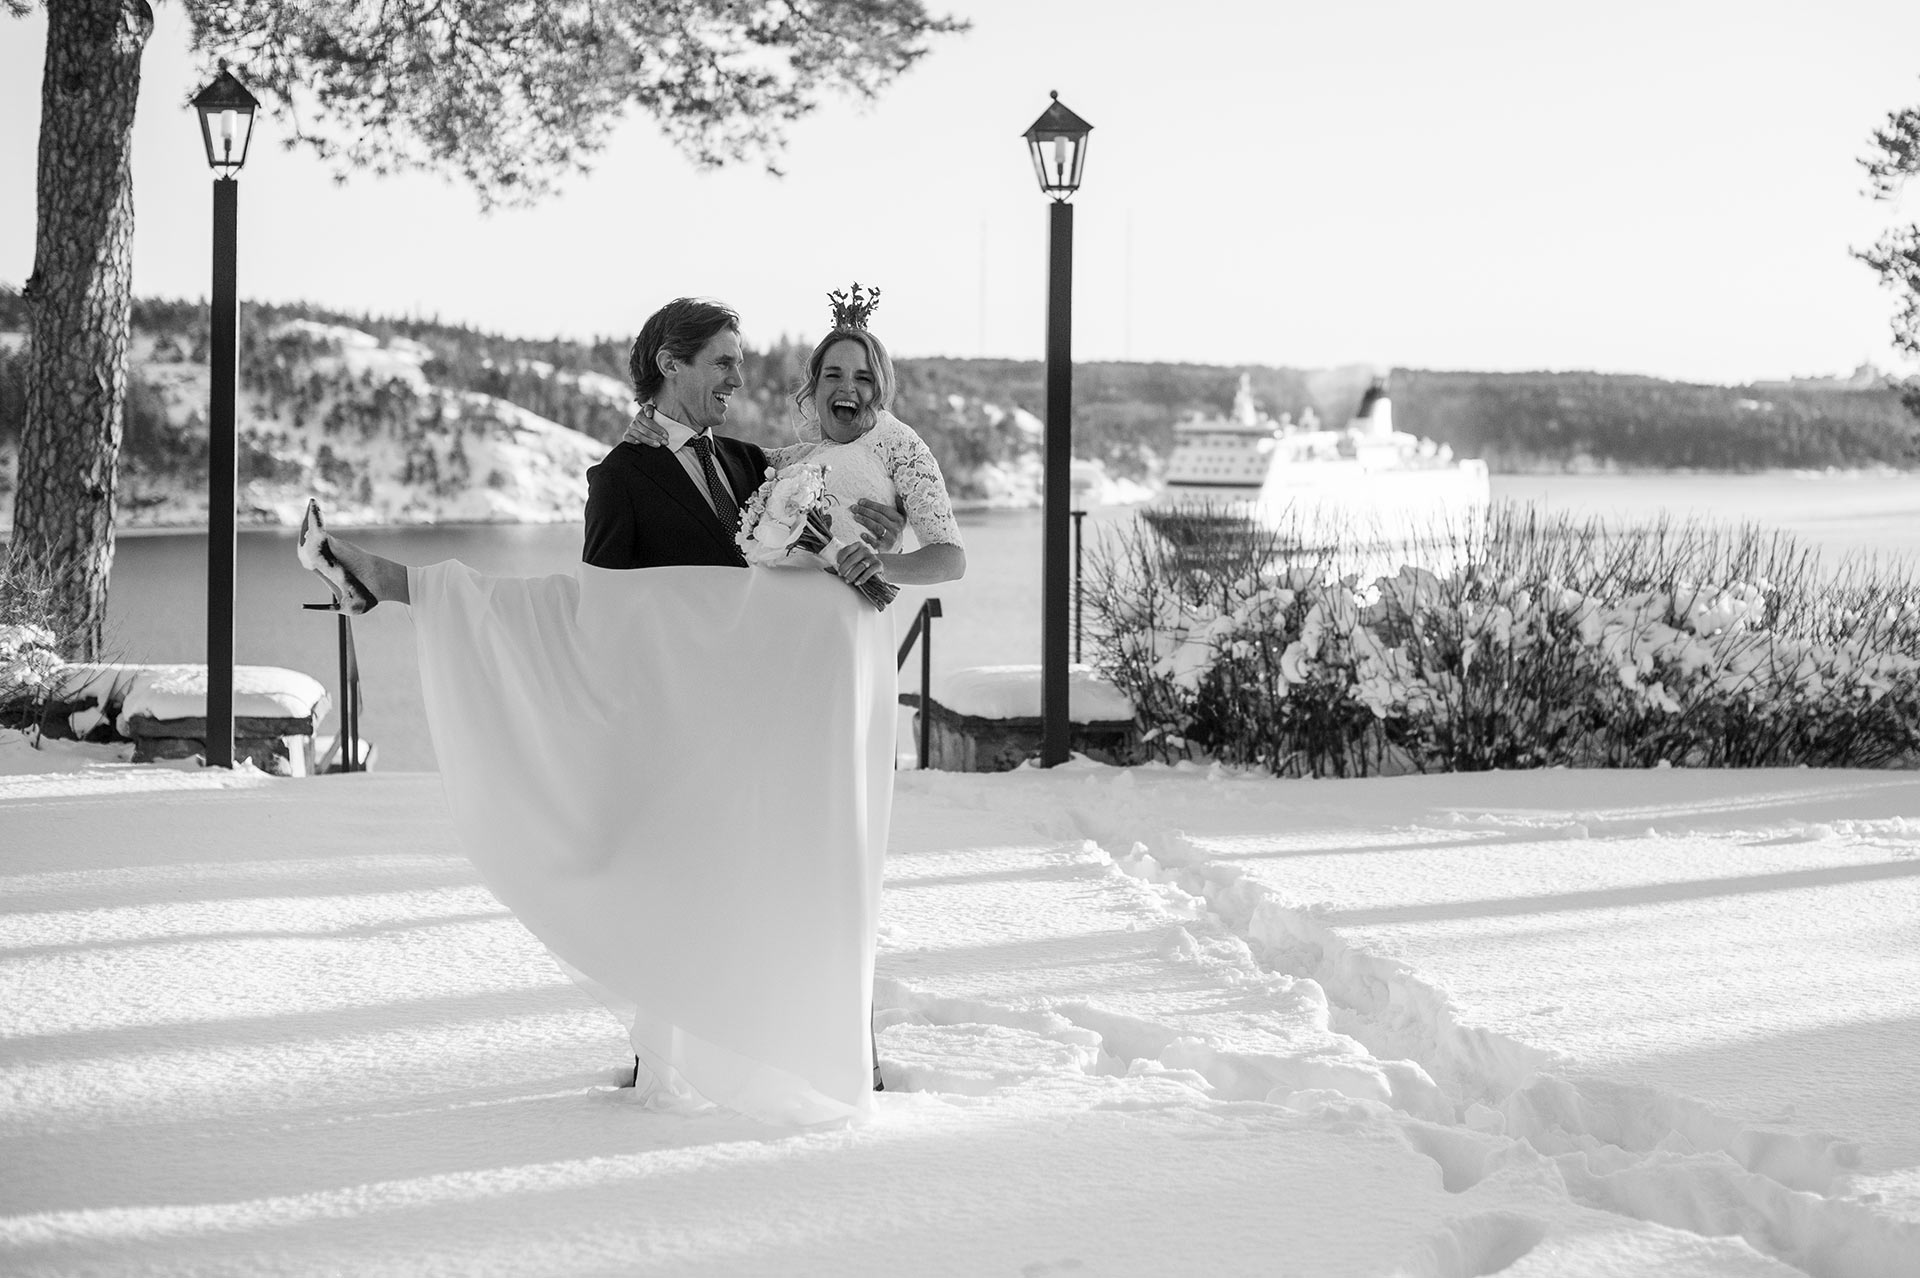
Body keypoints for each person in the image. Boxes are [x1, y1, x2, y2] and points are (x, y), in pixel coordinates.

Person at [296, 293, 954, 1125]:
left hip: (755, 730)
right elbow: (600, 615)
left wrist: (886, 521)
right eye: (721, 360)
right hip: (679, 730)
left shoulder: (754, 466)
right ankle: (390, 582)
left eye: (739, 362)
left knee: (779, 878)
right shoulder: (622, 478)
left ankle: (815, 1049)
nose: (736, 376)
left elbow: (826, 515)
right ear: (669, 365)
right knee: (670, 866)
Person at [625, 284, 966, 591]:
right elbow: (706, 452)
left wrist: (880, 563)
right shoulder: (792, 460)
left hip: (854, 618)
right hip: (791, 622)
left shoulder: (899, 443)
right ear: (814, 388)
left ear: (879, 388)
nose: (847, 387)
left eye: (863, 378)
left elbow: (951, 560)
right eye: (833, 375)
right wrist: (652, 419)